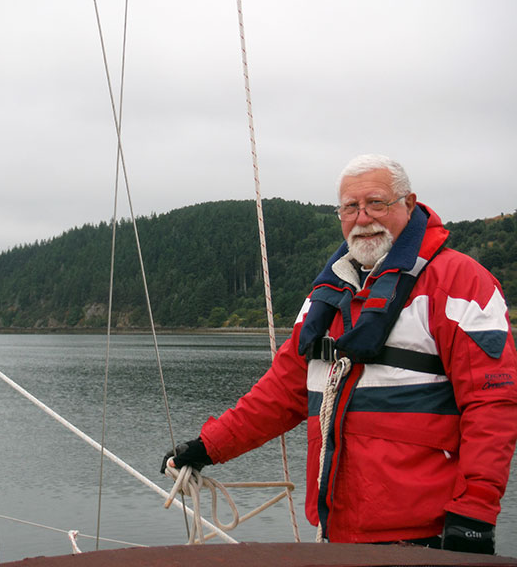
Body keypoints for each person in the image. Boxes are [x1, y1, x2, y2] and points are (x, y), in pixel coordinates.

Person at [162, 154, 517, 554]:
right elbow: (281, 392)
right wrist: (209, 446)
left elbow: (493, 405)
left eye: (376, 203)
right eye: (350, 207)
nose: (363, 218)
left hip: (426, 537)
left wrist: (474, 512)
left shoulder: (461, 282)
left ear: (409, 204)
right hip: (338, 534)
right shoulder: (325, 298)